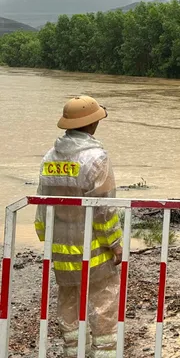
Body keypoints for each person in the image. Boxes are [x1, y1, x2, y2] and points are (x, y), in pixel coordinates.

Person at [35, 95, 122, 358]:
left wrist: (45, 236)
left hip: (61, 248)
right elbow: (104, 210)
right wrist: (115, 245)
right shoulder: (97, 158)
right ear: (92, 124)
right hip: (93, 248)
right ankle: (103, 352)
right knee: (103, 301)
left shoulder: (49, 157)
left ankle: (72, 351)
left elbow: (42, 205)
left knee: (68, 300)